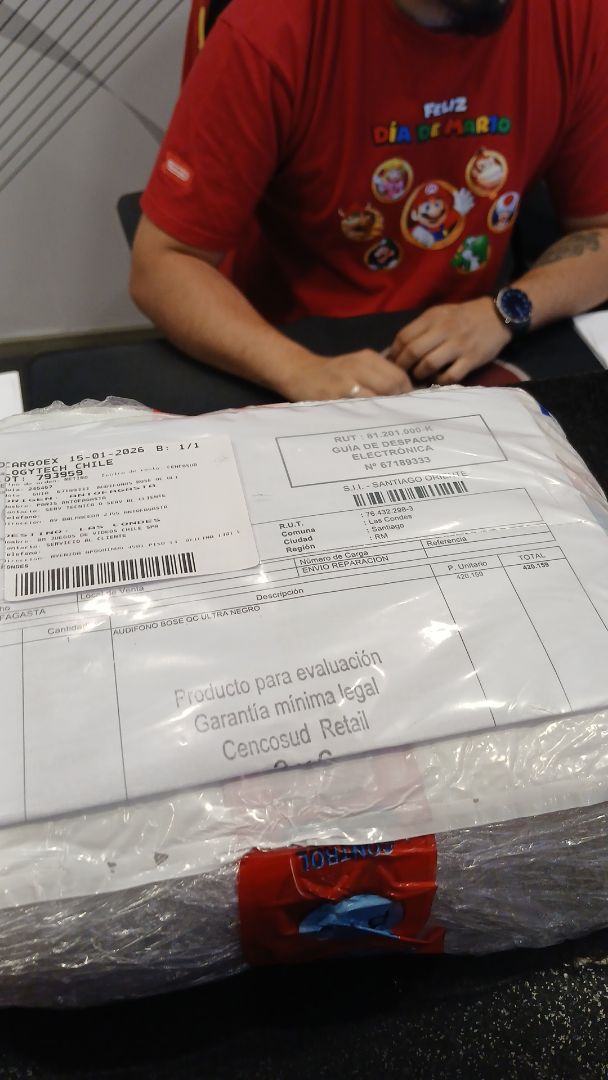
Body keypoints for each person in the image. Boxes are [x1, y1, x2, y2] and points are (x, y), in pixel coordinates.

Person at [130, 0, 608, 402]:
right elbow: (161, 264)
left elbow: (600, 231)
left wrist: (505, 311)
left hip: (468, 337)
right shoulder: (273, 26)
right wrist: (299, 369)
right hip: (291, 343)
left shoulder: (572, 14)